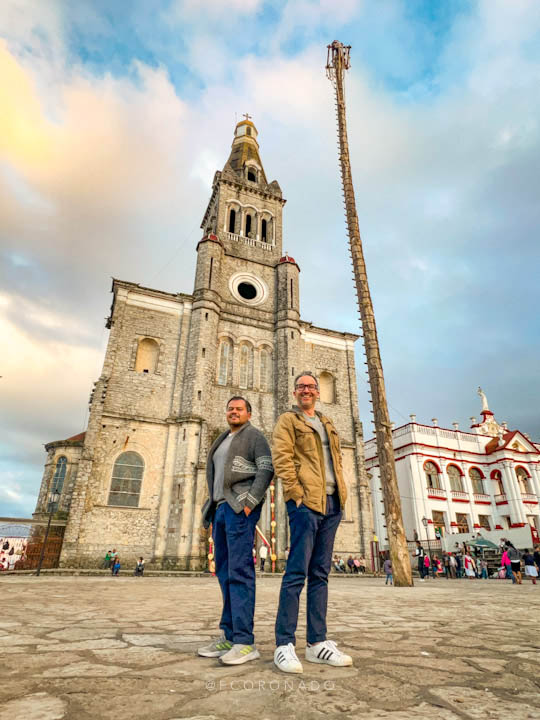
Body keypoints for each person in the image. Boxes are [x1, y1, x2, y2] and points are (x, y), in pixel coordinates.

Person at [272, 371, 352, 674]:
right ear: (295, 393)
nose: (306, 390)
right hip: (306, 504)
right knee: (296, 573)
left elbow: (337, 461)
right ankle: (284, 644)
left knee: (320, 574)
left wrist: (341, 497)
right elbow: (282, 459)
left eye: (311, 386)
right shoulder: (288, 421)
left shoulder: (327, 422)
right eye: (301, 387)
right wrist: (296, 495)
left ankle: (318, 643)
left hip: (332, 504)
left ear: (318, 392)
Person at [198, 396, 273, 666]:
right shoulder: (222, 439)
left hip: (238, 509)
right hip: (219, 510)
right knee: (225, 573)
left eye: (239, 409)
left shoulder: (255, 436)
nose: (233, 412)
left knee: (240, 572)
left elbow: (266, 470)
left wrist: (250, 503)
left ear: (248, 413)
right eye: (230, 408)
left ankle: (244, 641)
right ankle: (229, 636)